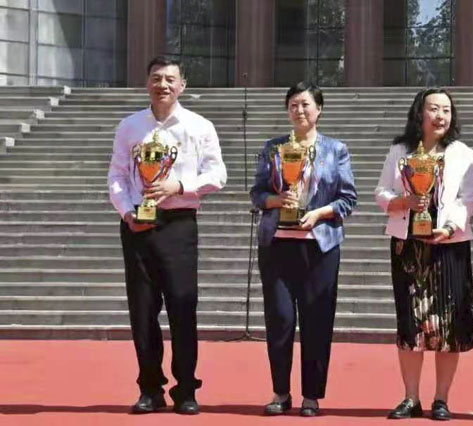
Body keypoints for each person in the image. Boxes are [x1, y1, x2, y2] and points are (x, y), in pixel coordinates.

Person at [107, 56, 227, 415]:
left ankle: (186, 389)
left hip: (179, 224)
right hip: (138, 226)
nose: (163, 85)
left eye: (170, 79)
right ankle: (150, 388)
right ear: (147, 83)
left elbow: (218, 174)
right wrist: (127, 212)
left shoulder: (199, 125)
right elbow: (117, 175)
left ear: (182, 85)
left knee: (182, 306)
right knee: (142, 310)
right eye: (157, 78)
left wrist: (180, 185)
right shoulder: (130, 126)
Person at [250, 82, 357, 417]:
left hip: (319, 247)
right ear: (287, 109)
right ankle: (280, 392)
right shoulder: (272, 148)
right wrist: (277, 200)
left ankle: (311, 395)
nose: (299, 110)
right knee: (280, 320)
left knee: (317, 321)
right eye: (294, 104)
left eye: (306, 104)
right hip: (277, 245)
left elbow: (348, 199)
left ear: (319, 109)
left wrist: (319, 213)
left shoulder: (335, 149)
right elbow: (257, 193)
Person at [375, 88, 473, 421]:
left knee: (448, 324)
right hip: (407, 244)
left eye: (446, 110)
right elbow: (381, 192)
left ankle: (441, 399)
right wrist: (402, 202)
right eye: (434, 108)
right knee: (410, 323)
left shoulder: (462, 153)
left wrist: (449, 227)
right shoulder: (399, 151)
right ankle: (410, 397)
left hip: (449, 245)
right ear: (420, 112)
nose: (440, 116)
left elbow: (466, 198)